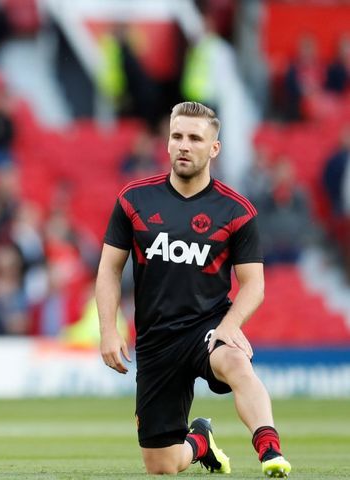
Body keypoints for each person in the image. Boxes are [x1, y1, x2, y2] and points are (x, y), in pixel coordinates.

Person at [96, 102, 292, 478]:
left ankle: (269, 448)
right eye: (177, 136)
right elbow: (109, 268)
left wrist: (229, 327)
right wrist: (109, 328)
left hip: (208, 326)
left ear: (214, 148)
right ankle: (201, 440)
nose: (184, 145)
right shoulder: (133, 200)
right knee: (162, 466)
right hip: (155, 339)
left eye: (195, 138)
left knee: (235, 362)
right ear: (167, 143)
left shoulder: (236, 211)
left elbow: (254, 285)